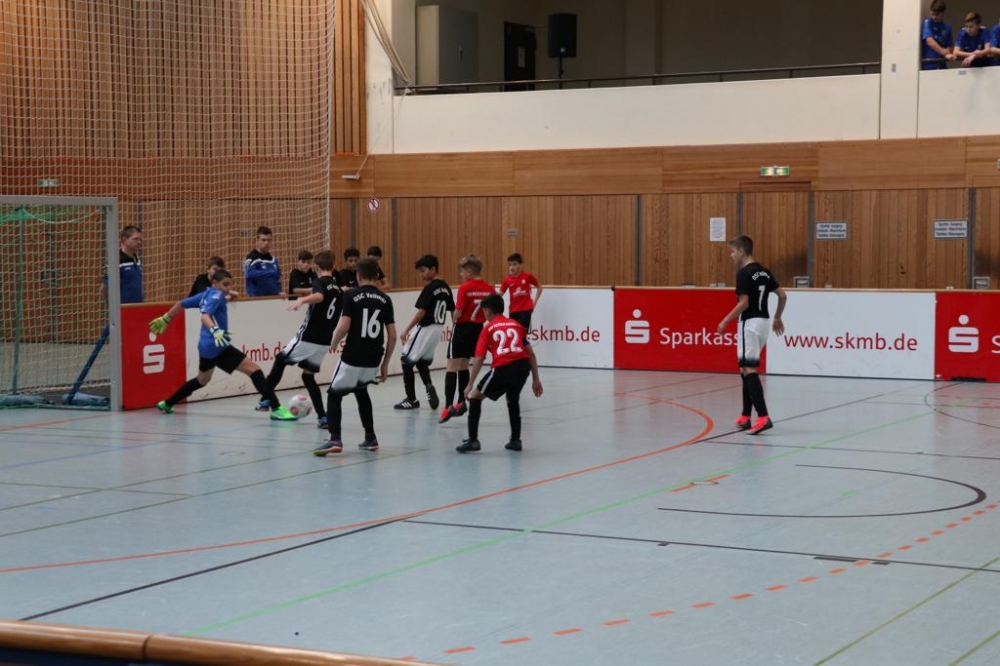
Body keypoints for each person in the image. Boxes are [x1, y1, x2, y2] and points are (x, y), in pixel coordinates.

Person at [149, 269, 273, 413]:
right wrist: (216, 331)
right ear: (214, 282)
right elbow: (205, 316)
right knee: (254, 370)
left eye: (230, 285)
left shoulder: (206, 295)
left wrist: (166, 318)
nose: (228, 288)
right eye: (225, 284)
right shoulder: (217, 296)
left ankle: (168, 403)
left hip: (204, 347)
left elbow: (181, 303)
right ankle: (272, 406)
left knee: (202, 380)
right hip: (217, 345)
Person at [313, 258, 396, 455]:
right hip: (374, 356)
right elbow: (392, 336)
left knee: (334, 394)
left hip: (353, 354)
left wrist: (334, 342)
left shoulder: (351, 295)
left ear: (358, 276)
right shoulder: (385, 299)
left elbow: (344, 326)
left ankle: (335, 439)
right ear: (377, 276)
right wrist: (385, 364)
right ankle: (370, 437)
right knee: (361, 390)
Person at [257, 251, 343, 425]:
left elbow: (319, 296)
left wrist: (301, 301)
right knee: (308, 377)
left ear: (316, 267)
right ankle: (323, 417)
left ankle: (265, 399)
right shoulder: (339, 289)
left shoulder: (319, 282)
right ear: (333, 267)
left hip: (309, 337)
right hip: (324, 341)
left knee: (280, 360)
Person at [715, 235, 787, 436]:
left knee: (749, 368)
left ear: (741, 251)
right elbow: (782, 295)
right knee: (745, 368)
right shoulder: (764, 271)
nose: (731, 256)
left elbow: (744, 303)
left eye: (732, 252)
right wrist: (777, 317)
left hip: (750, 323)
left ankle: (763, 417)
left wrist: (725, 321)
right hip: (763, 322)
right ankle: (746, 415)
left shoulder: (744, 273)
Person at [456, 294, 543, 453]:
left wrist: (469, 385)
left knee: (475, 397)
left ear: (488, 311)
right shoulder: (516, 325)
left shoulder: (488, 328)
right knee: (512, 398)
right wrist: (536, 379)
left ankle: (473, 441)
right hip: (523, 367)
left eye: (484, 311)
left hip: (504, 367)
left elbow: (479, 358)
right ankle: (515, 440)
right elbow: (530, 353)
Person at [439, 255, 496, 424]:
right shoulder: (489, 289)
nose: (461, 274)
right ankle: (461, 402)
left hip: (462, 329)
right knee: (464, 365)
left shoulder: (465, 287)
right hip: (477, 330)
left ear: (470, 272)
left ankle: (448, 406)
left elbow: (458, 311)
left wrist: (453, 319)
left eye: (462, 271)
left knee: (451, 367)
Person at [394, 254, 454, 411]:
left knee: (406, 360)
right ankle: (428, 385)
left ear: (433, 269)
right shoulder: (446, 287)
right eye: (419, 272)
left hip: (426, 328)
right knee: (420, 362)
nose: (421, 275)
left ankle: (411, 399)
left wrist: (407, 329)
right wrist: (455, 328)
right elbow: (452, 310)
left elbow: (421, 312)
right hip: (438, 330)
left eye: (423, 271)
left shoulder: (430, 287)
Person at [499, 252, 543, 334]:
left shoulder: (527, 276)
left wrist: (534, 302)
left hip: (525, 309)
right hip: (513, 310)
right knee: (513, 334)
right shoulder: (507, 280)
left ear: (520, 265)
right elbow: (499, 295)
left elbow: (540, 287)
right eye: (510, 265)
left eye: (514, 264)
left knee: (522, 334)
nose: (512, 267)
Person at [101, 225, 143, 304]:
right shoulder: (114, 261)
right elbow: (104, 287)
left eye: (140, 240)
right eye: (135, 239)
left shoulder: (137, 259)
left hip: (137, 307)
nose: (139, 242)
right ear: (124, 239)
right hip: (122, 308)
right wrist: (112, 305)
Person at [244, 225, 282, 297]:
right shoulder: (252, 258)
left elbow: (277, 280)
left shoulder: (274, 260)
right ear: (257, 241)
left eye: (269, 240)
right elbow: (249, 274)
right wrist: (269, 272)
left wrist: (279, 292)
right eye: (263, 240)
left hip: (273, 298)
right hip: (257, 299)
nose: (266, 243)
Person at [921, 0, 956, 70]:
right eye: (932, 14)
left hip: (942, 65)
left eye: (937, 15)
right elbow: (929, 41)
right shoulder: (927, 22)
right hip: (929, 64)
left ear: (943, 13)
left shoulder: (947, 27)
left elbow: (950, 47)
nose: (934, 17)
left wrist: (947, 52)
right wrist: (943, 52)